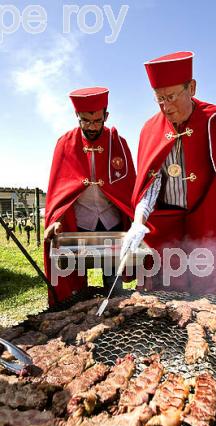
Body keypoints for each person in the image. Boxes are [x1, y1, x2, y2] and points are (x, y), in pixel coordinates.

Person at [121, 51, 216, 297]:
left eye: (172, 96)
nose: (166, 107)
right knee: (165, 296)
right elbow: (151, 183)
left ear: (192, 87)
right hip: (166, 227)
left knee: (214, 291)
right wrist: (138, 221)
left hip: (209, 224)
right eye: (159, 99)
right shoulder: (150, 129)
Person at [44, 87, 136, 305]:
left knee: (114, 285)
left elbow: (129, 185)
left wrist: (133, 219)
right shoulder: (65, 144)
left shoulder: (119, 144)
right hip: (79, 223)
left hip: (111, 222)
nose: (92, 127)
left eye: (97, 121)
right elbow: (58, 189)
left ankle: (117, 322)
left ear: (106, 116)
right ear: (77, 116)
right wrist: (55, 220)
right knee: (73, 288)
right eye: (86, 121)